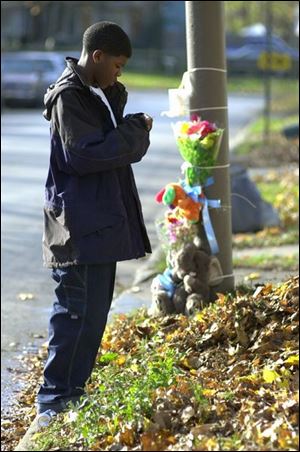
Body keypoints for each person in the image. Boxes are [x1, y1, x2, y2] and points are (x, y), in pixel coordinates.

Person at [37, 22, 152, 421]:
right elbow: (87, 155)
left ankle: (72, 394)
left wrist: (120, 106)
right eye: (117, 66)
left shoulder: (94, 94)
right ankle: (54, 401)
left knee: (93, 317)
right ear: (97, 56)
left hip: (97, 224)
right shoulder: (71, 97)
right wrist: (136, 131)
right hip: (78, 228)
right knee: (74, 314)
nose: (119, 74)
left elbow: (105, 143)